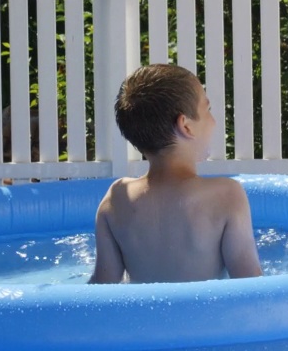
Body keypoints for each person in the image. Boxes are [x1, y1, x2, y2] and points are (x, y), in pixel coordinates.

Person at [89, 64, 263, 283]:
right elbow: (251, 284)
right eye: (207, 110)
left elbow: (102, 287)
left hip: (142, 318)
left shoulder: (116, 199)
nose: (213, 121)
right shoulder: (226, 195)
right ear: (186, 126)